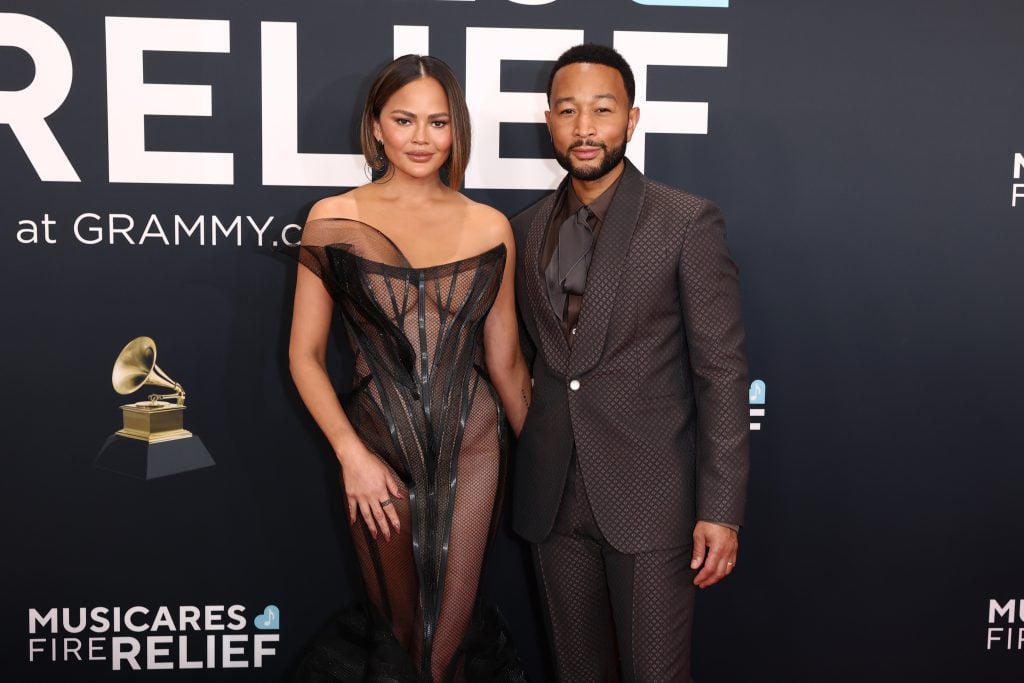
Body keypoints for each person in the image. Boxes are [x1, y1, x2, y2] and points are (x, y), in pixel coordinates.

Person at [287, 54, 531, 682]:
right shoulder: (335, 217)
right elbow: (304, 355)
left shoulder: (490, 226)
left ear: (457, 130)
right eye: (404, 120)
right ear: (376, 127)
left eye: (438, 122)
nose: (422, 139)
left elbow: (503, 361)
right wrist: (351, 456)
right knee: (400, 631)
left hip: (474, 448)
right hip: (376, 451)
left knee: (444, 639)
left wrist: (550, 464)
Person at [511, 43, 750, 681]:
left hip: (652, 498)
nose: (584, 128)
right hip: (552, 498)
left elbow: (722, 373)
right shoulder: (526, 228)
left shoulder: (684, 221)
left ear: (632, 119)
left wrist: (720, 507)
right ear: (549, 122)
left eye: (602, 110)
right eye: (567, 111)